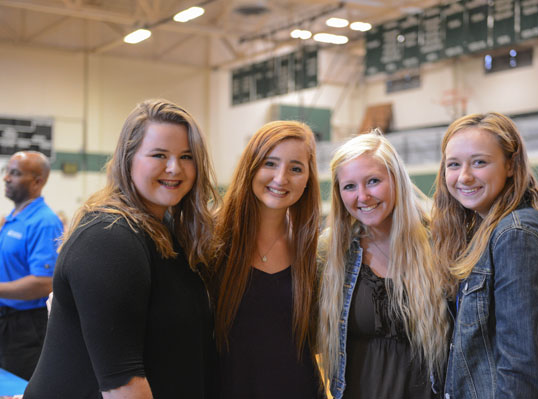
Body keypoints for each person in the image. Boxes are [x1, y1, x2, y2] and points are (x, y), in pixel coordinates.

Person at [24, 99, 219, 398]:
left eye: (186, 156)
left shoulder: (169, 230)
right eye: (159, 155)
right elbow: (123, 387)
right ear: (128, 159)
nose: (174, 168)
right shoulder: (109, 238)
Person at [430, 112, 538, 398]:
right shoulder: (484, 232)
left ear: (511, 165)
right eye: (453, 164)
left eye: (480, 162)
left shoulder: (516, 234)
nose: (464, 176)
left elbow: (521, 364)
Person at [318, 130, 450, 399]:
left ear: (396, 180)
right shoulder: (332, 252)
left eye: (373, 181)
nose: (363, 196)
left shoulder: (440, 243)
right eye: (350, 186)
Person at [211, 120, 323, 399]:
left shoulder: (311, 249)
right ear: (251, 166)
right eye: (270, 164)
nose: (281, 178)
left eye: (296, 168)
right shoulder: (210, 240)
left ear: (308, 178)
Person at [0, 151, 63, 380]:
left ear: (38, 181)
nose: (6, 178)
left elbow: (43, 283)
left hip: (25, 327)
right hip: (6, 318)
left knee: (18, 388)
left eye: (15, 173)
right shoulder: (15, 216)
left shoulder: (44, 222)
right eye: (7, 171)